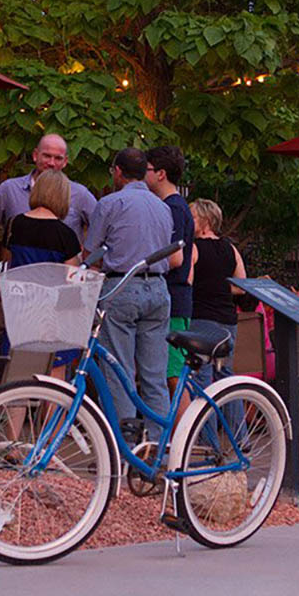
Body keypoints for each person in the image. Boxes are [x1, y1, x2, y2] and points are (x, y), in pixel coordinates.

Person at [85, 147, 176, 439]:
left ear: (118, 171)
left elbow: (91, 251)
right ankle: (157, 446)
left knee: (119, 372)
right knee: (154, 376)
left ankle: (121, 447)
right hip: (159, 289)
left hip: (122, 285)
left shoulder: (111, 203)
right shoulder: (163, 206)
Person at [0, 133, 97, 296]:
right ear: (35, 155)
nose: (51, 163)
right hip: (18, 294)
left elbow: (103, 233)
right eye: (47, 156)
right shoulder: (9, 190)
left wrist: (92, 273)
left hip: (58, 297)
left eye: (57, 158)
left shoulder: (80, 194)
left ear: (65, 162)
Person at [1, 169, 82, 374]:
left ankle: (16, 407)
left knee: (17, 380)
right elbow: (72, 284)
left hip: (19, 312)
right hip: (52, 317)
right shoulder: (67, 235)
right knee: (55, 378)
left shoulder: (15, 224)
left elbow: (8, 263)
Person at [185, 199, 247, 406]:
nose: (188, 220)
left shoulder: (193, 249)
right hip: (228, 319)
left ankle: (206, 435)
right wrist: (220, 286)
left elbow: (188, 282)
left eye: (192, 217)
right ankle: (240, 435)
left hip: (202, 316)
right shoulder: (231, 249)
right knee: (226, 379)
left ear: (205, 221)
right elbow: (241, 285)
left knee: (202, 378)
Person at [144, 146, 195, 395]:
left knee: (172, 375)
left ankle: (185, 432)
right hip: (176, 298)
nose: (144, 174)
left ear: (161, 173)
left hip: (174, 299)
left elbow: (175, 258)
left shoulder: (173, 207)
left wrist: (143, 266)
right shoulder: (174, 205)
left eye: (148, 169)